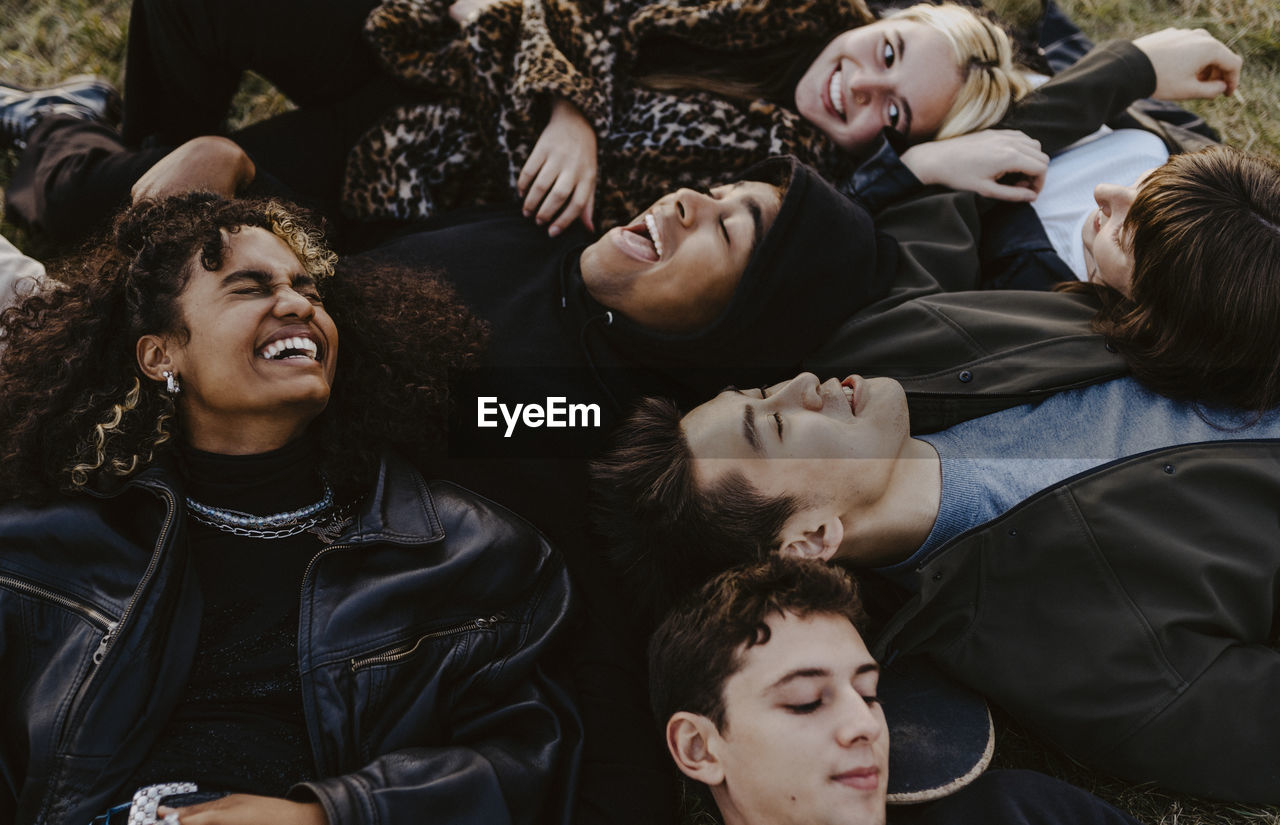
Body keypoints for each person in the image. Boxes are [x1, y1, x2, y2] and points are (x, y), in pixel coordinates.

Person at [591, 171, 1280, 800]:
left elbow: (971, 177)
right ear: (810, 539)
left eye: (768, 389)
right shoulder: (1070, 653)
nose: (804, 385)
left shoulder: (894, 342)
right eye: (774, 426)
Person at [0, 193, 581, 825]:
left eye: (309, 289)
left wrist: (325, 816)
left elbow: (522, 764)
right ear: (160, 356)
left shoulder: (465, 551)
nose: (299, 303)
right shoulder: (45, 540)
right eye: (249, 288)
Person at [649, 556, 1144, 825]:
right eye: (806, 701)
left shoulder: (1014, 812)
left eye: (867, 694)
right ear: (700, 748)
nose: (866, 724)